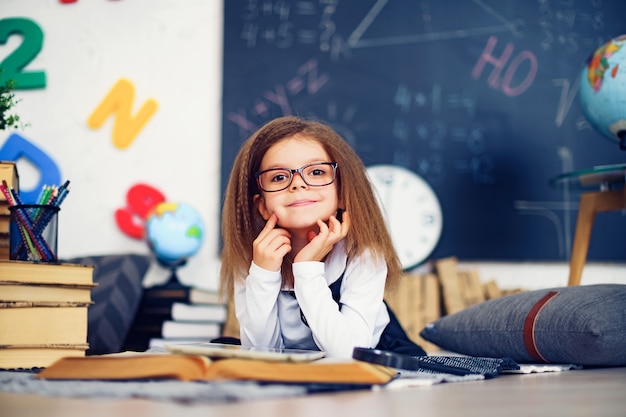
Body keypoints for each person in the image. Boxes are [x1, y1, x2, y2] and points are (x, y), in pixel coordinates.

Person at [219, 115, 426, 358]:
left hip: (372, 356)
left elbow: (348, 354)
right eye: (278, 177)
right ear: (262, 206)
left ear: (341, 193)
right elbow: (261, 353)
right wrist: (263, 274)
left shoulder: (363, 253)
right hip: (299, 367)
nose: (297, 184)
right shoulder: (254, 256)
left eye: (316, 172)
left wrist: (307, 268)